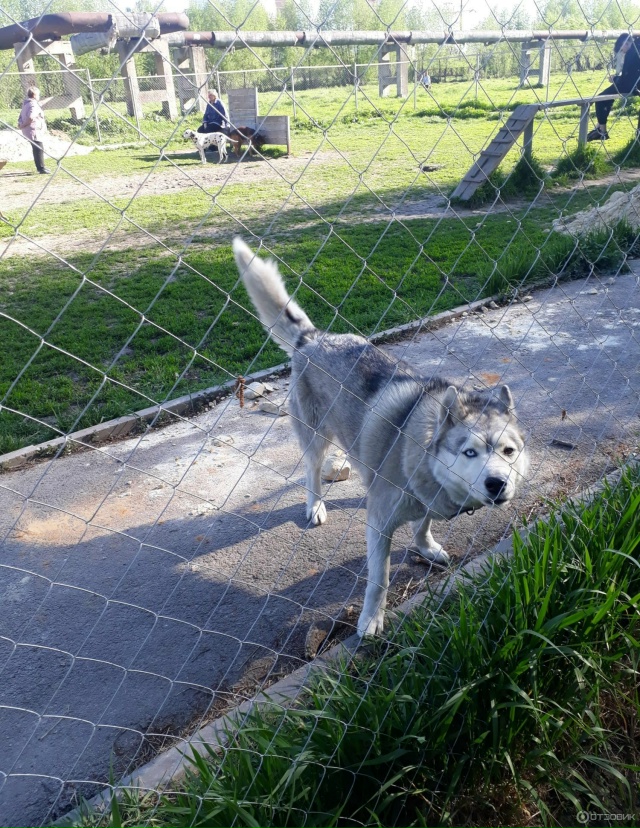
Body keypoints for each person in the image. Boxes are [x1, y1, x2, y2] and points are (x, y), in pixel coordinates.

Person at [587, 34, 640, 141]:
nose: (623, 49)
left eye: (623, 46)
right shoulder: (635, 49)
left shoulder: (631, 54)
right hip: (634, 84)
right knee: (606, 99)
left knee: (600, 99)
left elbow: (626, 77)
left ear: (627, 44)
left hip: (629, 85)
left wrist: (615, 79)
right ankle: (599, 128)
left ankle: (602, 132)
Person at [18, 86, 51, 175]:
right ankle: (41, 168)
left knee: (36, 148)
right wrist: (23, 125)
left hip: (28, 130)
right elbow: (31, 117)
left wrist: (21, 124)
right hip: (33, 130)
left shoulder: (26, 103)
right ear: (34, 95)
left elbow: (21, 115)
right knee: (39, 148)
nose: (39, 96)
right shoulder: (33, 104)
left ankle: (40, 167)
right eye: (38, 95)